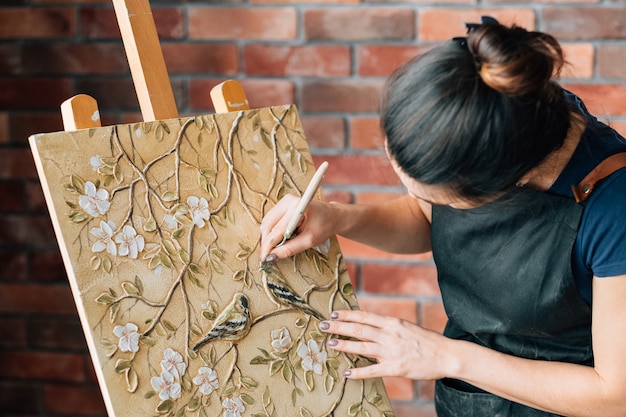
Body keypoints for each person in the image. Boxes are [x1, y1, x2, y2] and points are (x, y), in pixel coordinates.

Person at [259, 17, 626, 417]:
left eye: (435, 195)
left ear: (503, 186)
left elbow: (615, 395)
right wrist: (339, 219)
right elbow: (425, 221)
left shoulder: (614, 212)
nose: (423, 200)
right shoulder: (499, 105)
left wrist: (447, 356)